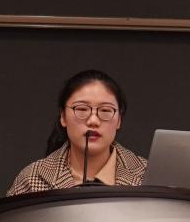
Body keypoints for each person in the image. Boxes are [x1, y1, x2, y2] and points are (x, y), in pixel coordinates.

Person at [8, 69, 148, 195]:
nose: (93, 121)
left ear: (119, 120)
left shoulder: (148, 176)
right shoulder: (31, 180)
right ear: (63, 117)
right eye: (81, 109)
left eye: (105, 110)